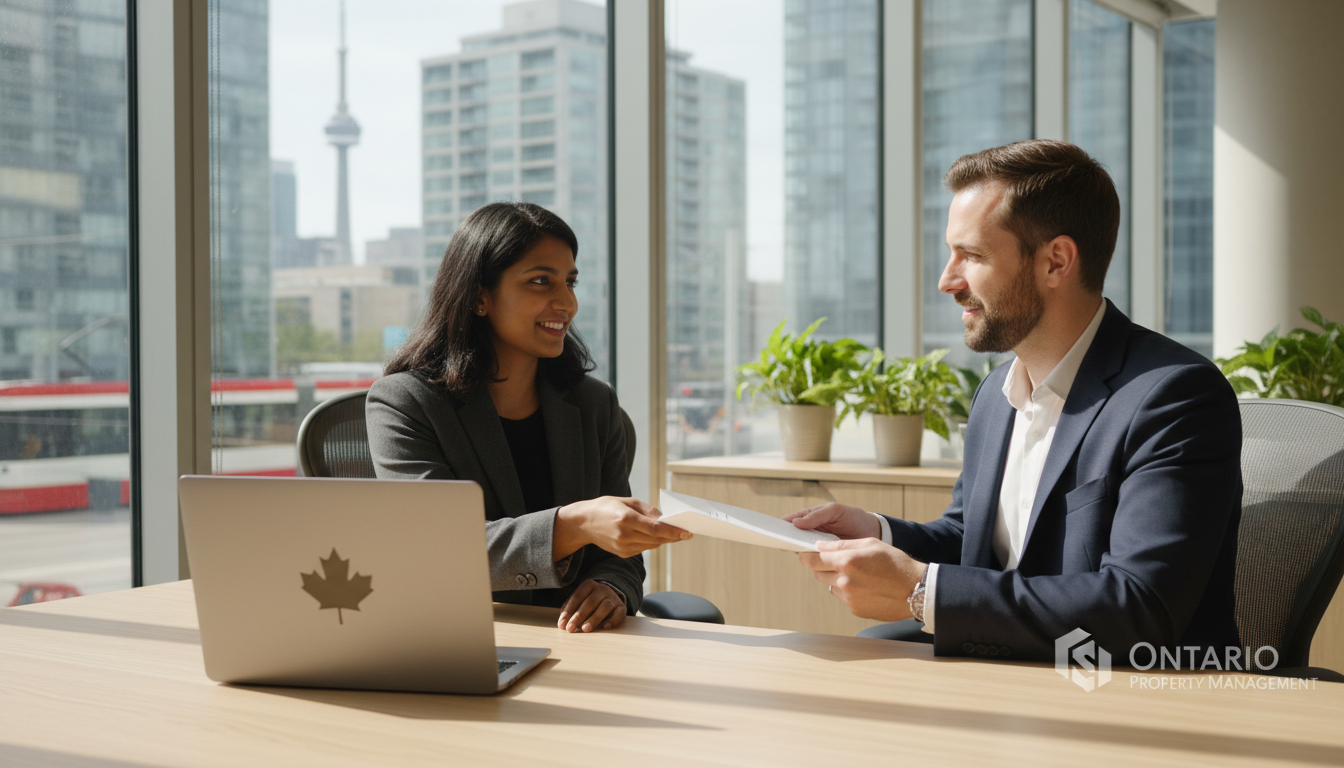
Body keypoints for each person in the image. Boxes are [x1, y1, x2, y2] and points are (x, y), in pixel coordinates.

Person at [788, 140, 1242, 662]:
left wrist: (920, 592)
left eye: (973, 255)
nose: (946, 280)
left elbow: (1139, 607)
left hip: (1127, 697)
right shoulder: (996, 394)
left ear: (1056, 261)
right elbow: (976, 543)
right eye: (950, 252)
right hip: (1009, 673)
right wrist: (879, 532)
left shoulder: (1174, 397)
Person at [367, 202, 690, 634]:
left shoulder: (594, 405)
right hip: (457, 636)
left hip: (580, 642)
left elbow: (620, 556)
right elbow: (436, 549)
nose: (567, 303)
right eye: (541, 281)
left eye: (570, 282)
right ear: (480, 296)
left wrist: (610, 585)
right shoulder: (404, 402)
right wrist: (573, 524)